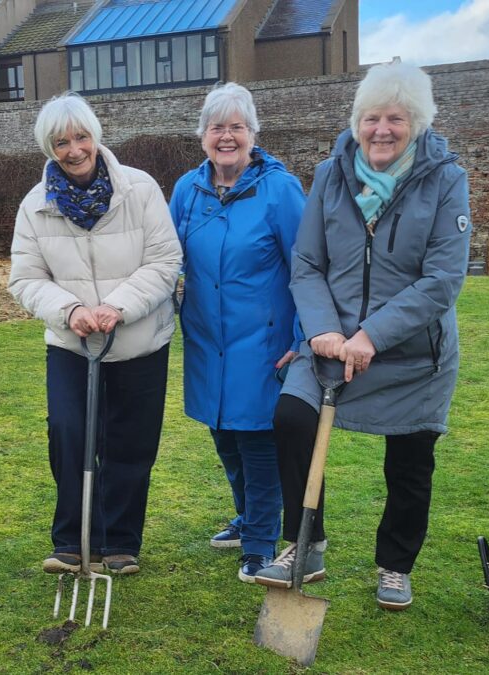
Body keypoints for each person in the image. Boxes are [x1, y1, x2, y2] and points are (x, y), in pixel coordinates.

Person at [253, 61, 471, 610]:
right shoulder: (331, 174)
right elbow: (306, 262)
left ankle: (395, 565)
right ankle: (306, 543)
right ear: (357, 122)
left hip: (413, 351)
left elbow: (443, 279)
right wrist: (324, 329)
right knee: (292, 419)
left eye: (395, 119)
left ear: (415, 123)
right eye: (371, 118)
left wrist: (372, 335)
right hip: (330, 342)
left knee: (410, 459)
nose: (381, 130)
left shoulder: (445, 180)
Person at [9, 93, 182, 576]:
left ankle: (120, 541)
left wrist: (117, 307)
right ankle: (71, 541)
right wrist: (69, 310)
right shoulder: (35, 206)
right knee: (68, 432)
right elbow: (24, 279)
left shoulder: (140, 190)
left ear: (95, 137)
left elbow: (165, 261)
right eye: (61, 142)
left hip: (138, 340)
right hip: (73, 342)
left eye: (81, 137)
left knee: (130, 440)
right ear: (50, 148)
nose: (73, 150)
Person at [169, 83, 306, 583]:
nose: (226, 137)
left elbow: (307, 268)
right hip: (207, 340)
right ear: (202, 135)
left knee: (259, 442)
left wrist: (300, 338)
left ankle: (260, 542)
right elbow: (166, 259)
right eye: (216, 127)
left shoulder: (280, 190)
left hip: (263, 343)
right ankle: (248, 517)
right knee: (224, 436)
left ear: (252, 134)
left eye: (236, 127)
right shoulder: (188, 189)